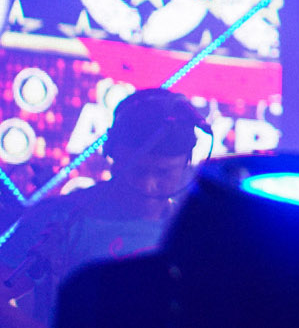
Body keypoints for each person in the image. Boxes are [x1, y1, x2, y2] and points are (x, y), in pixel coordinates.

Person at [0, 88, 208, 328]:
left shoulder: (195, 233)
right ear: (111, 154)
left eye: (164, 173)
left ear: (186, 163)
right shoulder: (58, 219)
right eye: (137, 170)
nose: (148, 185)